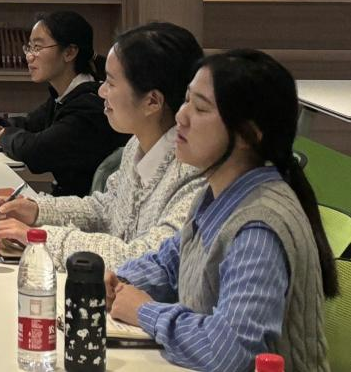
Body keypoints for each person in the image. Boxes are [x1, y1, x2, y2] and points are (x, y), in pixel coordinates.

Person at [109, 49, 336, 372]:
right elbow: (170, 263)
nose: (181, 116)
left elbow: (230, 350)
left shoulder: (259, 228)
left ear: (248, 134)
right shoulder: (217, 194)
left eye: (201, 108)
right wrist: (118, 281)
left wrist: (144, 311)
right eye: (186, 100)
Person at [0, 22, 205, 269]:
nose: (102, 91)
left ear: (152, 101)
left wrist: (42, 238)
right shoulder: (137, 145)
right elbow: (105, 210)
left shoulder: (192, 174)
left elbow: (146, 258)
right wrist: (37, 211)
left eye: (111, 83)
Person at [0, 11, 126, 196]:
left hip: (80, 207)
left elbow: (36, 152)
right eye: (29, 47)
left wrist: (3, 134)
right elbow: (30, 124)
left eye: (38, 47)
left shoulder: (89, 106)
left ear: (69, 52)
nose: (29, 56)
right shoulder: (66, 95)